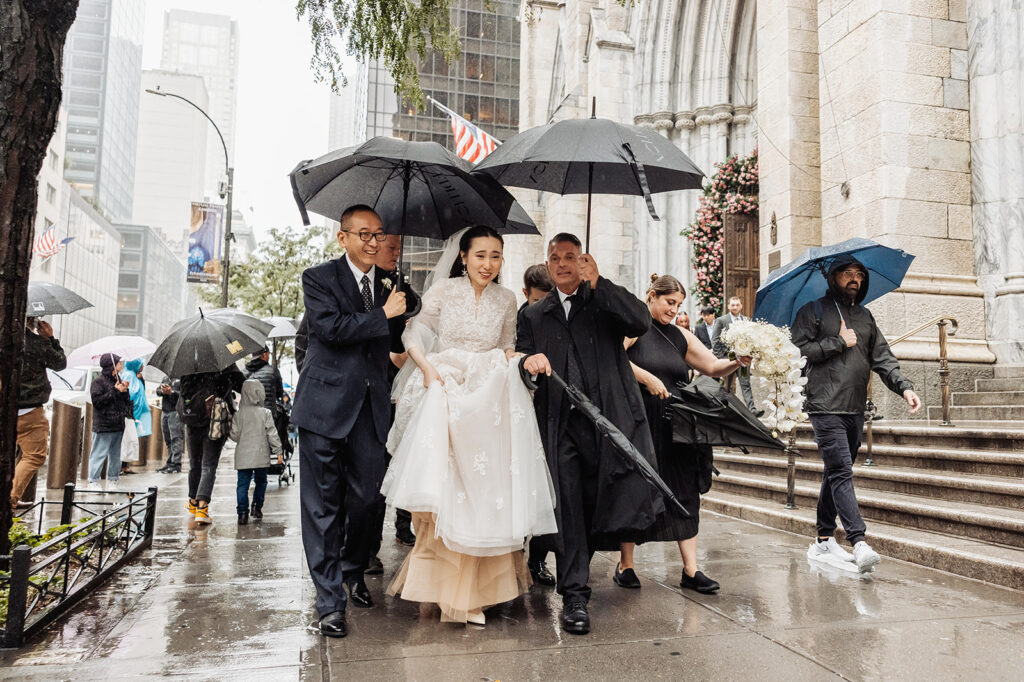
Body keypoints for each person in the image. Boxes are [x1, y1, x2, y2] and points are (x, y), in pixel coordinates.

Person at [383, 225, 558, 626]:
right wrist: (428, 370)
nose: (488, 263)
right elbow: (415, 332)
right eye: (480, 255)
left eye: (496, 255)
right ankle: (446, 591)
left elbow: (508, 346)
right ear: (463, 257)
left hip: (490, 395)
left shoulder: (508, 297)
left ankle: (479, 591)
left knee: (486, 491)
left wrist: (523, 362)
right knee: (447, 492)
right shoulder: (444, 290)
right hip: (445, 388)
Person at [517, 232, 662, 636]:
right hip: (560, 425)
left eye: (571, 257)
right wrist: (528, 362)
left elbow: (641, 321)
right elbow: (520, 358)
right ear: (547, 266)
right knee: (568, 507)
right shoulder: (533, 315)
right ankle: (575, 595)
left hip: (608, 423)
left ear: (583, 261)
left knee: (606, 501)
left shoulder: (603, 302)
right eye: (556, 258)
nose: (563, 264)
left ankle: (607, 564)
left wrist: (599, 282)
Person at [291, 205, 407, 639]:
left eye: (378, 234)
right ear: (343, 238)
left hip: (371, 410)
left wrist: (404, 310)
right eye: (364, 234)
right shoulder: (318, 278)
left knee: (368, 500)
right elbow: (332, 328)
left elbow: (396, 345)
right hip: (323, 408)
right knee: (322, 506)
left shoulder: (390, 287)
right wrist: (384, 315)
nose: (373, 242)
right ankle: (329, 601)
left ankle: (352, 568)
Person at [616, 275, 750, 594]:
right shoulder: (635, 328)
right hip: (640, 423)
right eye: (669, 302)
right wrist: (646, 377)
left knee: (685, 490)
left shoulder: (681, 336)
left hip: (676, 425)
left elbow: (713, 367)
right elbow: (612, 359)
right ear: (651, 296)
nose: (674, 310)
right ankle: (626, 564)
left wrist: (737, 362)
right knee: (636, 489)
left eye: (678, 305)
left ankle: (691, 570)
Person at [792, 255, 922, 572]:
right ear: (832, 277)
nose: (855, 279)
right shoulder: (812, 311)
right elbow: (795, 351)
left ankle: (823, 539)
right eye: (847, 273)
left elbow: (883, 357)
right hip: (824, 405)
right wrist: (837, 341)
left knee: (837, 471)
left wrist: (904, 387)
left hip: (854, 408)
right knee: (840, 470)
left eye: (859, 274)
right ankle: (859, 542)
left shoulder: (864, 317)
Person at [367, 233, 420, 573]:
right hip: (370, 392)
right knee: (373, 475)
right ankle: (368, 546)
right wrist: (388, 359)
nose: (396, 252)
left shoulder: (398, 285)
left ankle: (403, 527)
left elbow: (416, 318)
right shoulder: (357, 290)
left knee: (403, 461)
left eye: (399, 248)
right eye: (391, 246)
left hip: (400, 397)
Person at [519, 263, 556, 587]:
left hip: (549, 411)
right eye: (538, 299)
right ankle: (514, 553)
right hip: (518, 406)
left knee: (546, 486)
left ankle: (538, 559)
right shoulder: (519, 318)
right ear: (525, 293)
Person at [177, 364, 245, 524]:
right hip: (215, 418)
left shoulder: (188, 365)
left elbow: (183, 391)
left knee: (195, 463)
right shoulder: (223, 363)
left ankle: (193, 502)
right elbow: (242, 385)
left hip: (192, 419)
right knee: (209, 464)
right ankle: (202, 508)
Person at [12, 318, 66, 507]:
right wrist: (50, 338)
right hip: (28, 408)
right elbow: (60, 363)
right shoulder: (34, 343)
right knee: (34, 456)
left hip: (7, 405)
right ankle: (9, 499)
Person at [230, 379, 283, 525]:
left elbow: (234, 436)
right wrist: (278, 452)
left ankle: (242, 513)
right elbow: (272, 433)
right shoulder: (265, 413)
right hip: (261, 454)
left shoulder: (238, 414)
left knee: (242, 485)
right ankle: (257, 507)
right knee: (261, 481)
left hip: (243, 456)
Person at [88, 353, 133, 485]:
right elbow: (97, 402)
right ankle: (93, 481)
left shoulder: (118, 380)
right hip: (103, 424)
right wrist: (115, 391)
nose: (121, 365)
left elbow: (125, 401)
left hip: (118, 424)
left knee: (115, 455)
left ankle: (113, 479)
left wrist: (124, 390)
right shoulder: (98, 382)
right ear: (111, 365)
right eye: (119, 363)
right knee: (98, 454)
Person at [711, 295, 760, 414]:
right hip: (729, 359)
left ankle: (752, 409)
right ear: (728, 306)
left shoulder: (747, 321)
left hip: (743, 360)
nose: (735, 307)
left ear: (741, 306)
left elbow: (752, 339)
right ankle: (723, 408)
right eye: (732, 305)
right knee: (727, 385)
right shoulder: (722, 321)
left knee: (745, 383)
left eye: (737, 305)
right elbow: (715, 341)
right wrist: (721, 358)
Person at [119, 358, 151, 475]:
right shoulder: (129, 375)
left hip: (132, 412)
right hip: (128, 412)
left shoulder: (135, 376)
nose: (143, 366)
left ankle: (125, 466)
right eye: (141, 364)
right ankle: (122, 466)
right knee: (126, 439)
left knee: (130, 439)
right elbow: (131, 394)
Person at [157, 377, 184, 473]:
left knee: (176, 438)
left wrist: (172, 392)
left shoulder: (182, 378)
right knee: (168, 439)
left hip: (175, 411)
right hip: (165, 411)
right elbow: (157, 390)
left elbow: (184, 395)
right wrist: (163, 391)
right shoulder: (166, 378)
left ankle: (176, 463)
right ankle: (169, 462)